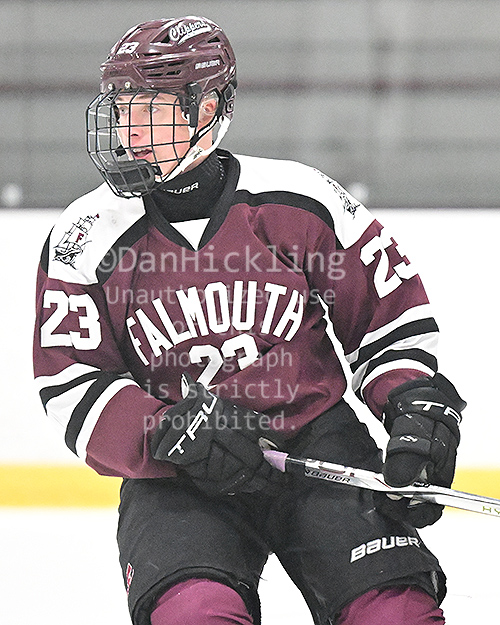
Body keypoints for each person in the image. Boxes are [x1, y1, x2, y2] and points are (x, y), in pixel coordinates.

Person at [33, 15, 466, 625]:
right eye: (123, 109)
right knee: (195, 617)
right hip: (181, 467)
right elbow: (70, 381)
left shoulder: (298, 200)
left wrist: (413, 405)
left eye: (151, 109)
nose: (130, 131)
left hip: (316, 441)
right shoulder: (86, 236)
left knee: (395, 617)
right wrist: (163, 429)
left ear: (208, 108)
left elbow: (387, 318)